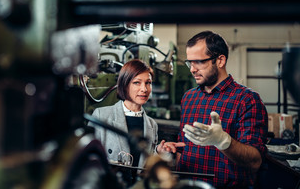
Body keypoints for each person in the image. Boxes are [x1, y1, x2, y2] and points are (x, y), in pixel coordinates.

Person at [176, 31, 268, 189]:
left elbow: (255, 162)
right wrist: (170, 152)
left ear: (220, 60)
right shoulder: (189, 98)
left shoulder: (247, 100)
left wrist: (223, 142)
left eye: (198, 62)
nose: (192, 69)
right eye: (189, 62)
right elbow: (183, 146)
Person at [88, 59, 184, 170]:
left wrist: (158, 151)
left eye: (148, 83)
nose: (144, 89)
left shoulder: (152, 125)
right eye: (137, 82)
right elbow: (89, 157)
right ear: (125, 84)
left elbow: (146, 161)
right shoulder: (101, 115)